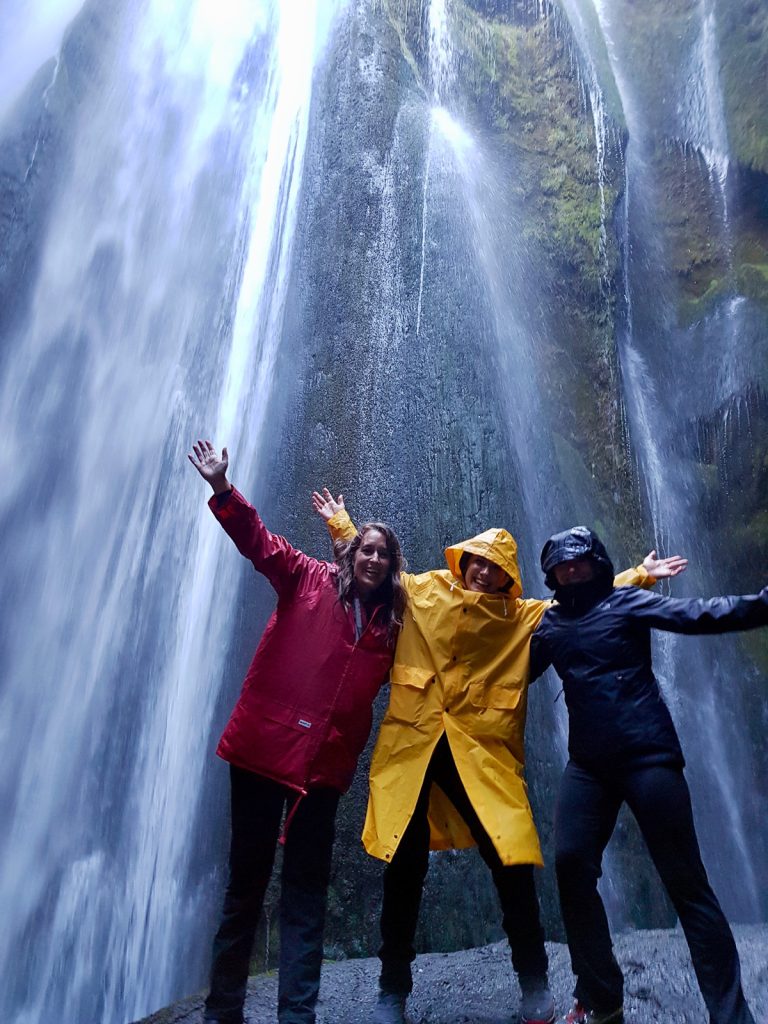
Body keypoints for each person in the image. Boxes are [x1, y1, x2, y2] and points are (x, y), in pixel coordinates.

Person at [313, 490, 685, 1024]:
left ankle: (533, 980)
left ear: (509, 577)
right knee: (404, 867)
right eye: (478, 563)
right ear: (463, 559)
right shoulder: (420, 593)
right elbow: (375, 571)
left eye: (495, 570)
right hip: (413, 749)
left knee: (510, 863)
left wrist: (640, 575)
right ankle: (392, 988)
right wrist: (340, 525)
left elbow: (577, 602)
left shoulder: (520, 618)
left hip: (480, 754)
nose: (484, 574)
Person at [188, 442, 406, 1024]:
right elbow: (259, 545)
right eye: (366, 549)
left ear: (393, 565)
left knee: (306, 896)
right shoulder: (306, 578)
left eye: (385, 553)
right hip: (263, 752)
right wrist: (222, 489)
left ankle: (297, 1016)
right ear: (348, 552)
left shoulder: (394, 628)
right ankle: (223, 1010)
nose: (375, 559)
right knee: (246, 885)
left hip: (322, 771)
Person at [530, 525, 767, 1024]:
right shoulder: (548, 628)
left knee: (687, 884)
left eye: (579, 561)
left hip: (648, 757)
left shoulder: (626, 604)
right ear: (550, 574)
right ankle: (602, 997)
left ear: (597, 562)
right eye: (561, 565)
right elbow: (504, 671)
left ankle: (732, 1015)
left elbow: (698, 614)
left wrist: (762, 603)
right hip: (588, 767)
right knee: (571, 866)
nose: (571, 570)